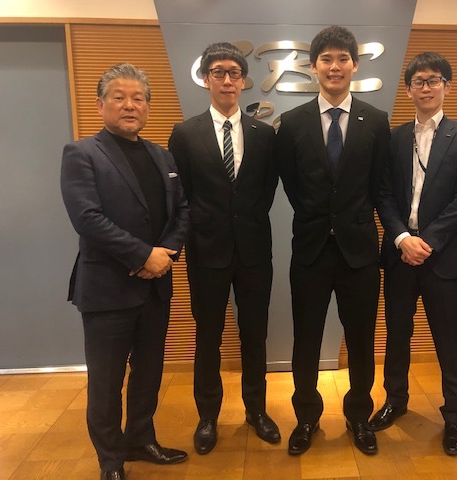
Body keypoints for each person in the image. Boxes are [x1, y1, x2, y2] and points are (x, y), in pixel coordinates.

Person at [60, 63, 190, 480]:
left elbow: (182, 210)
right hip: (107, 288)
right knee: (106, 381)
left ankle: (140, 439)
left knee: (148, 373)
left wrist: (166, 254)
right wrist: (142, 255)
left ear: (147, 107)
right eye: (119, 97)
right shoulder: (82, 154)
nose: (130, 105)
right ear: (101, 105)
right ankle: (111, 461)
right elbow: (87, 218)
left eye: (138, 98)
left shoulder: (162, 156)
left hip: (155, 286)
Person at [276, 25, 390, 456]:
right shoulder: (292, 123)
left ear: (355, 65)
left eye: (343, 58)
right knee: (306, 339)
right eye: (327, 59)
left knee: (361, 339)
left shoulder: (375, 121)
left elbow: (379, 186)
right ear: (314, 67)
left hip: (360, 252)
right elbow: (292, 184)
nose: (335, 66)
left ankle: (359, 416)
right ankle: (306, 417)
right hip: (310, 250)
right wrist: (318, 218)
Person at [168, 42, 280, 455]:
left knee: (255, 335)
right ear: (206, 79)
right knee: (208, 337)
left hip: (254, 252)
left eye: (234, 72)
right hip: (206, 252)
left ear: (244, 80)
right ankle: (208, 417)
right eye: (218, 72)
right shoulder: (185, 133)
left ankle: (257, 411)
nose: (227, 80)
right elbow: (182, 196)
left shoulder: (265, 134)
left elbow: (266, 190)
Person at [372, 52, 457, 456]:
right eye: (418, 81)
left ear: (446, 87)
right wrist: (402, 237)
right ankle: (395, 400)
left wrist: (428, 241)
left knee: (448, 340)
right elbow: (383, 193)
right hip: (400, 254)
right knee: (397, 334)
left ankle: (454, 417)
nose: (426, 87)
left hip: (444, 257)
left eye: (434, 80)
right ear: (408, 89)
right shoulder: (395, 138)